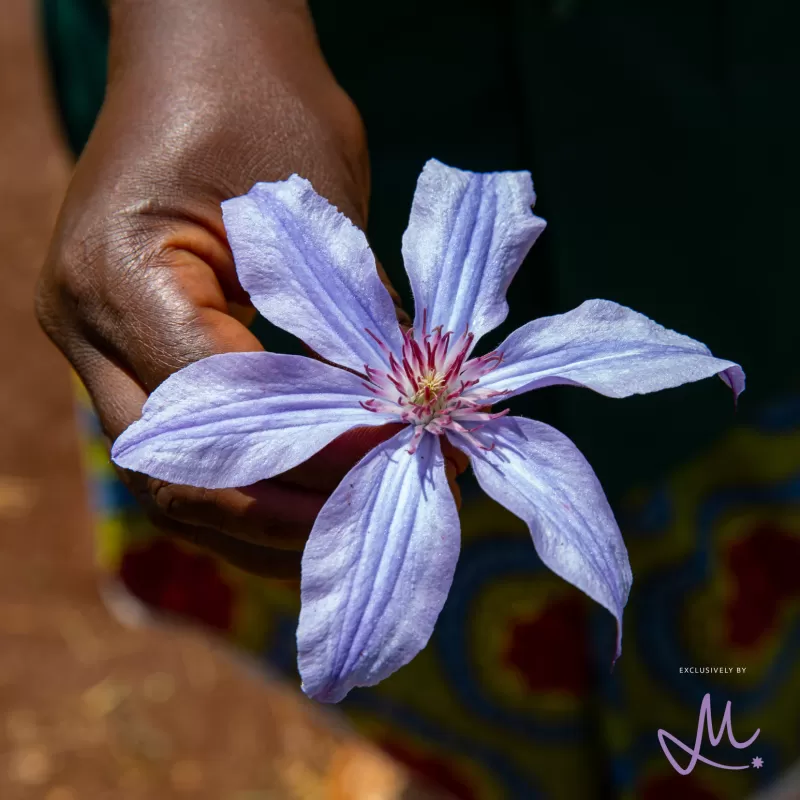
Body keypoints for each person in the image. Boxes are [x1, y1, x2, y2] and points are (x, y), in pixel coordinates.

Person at [37, 1, 800, 797]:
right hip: (357, 78)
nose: (432, 385)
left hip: (733, 192)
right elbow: (267, 234)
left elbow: (532, 263)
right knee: (420, 693)